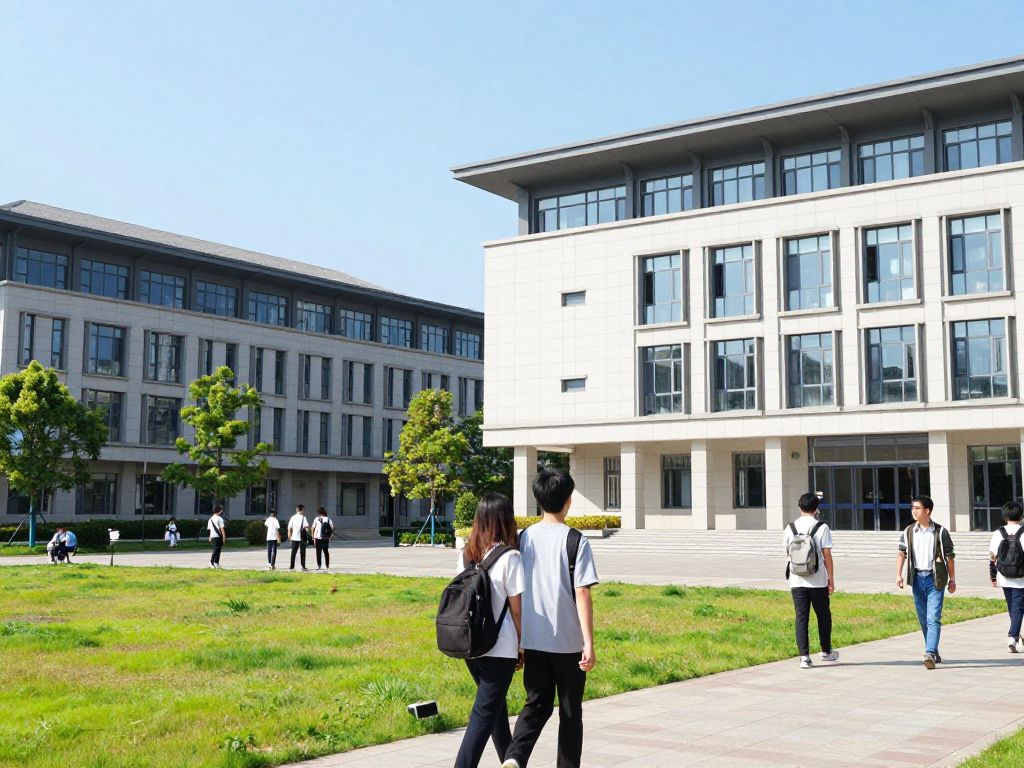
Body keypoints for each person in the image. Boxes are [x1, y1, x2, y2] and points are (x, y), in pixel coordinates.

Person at [502, 470, 598, 768]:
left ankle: (514, 758)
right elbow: (582, 592)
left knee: (535, 705)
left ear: (539, 500)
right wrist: (589, 643)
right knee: (570, 713)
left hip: (533, 640)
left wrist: (519, 640)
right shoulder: (576, 540)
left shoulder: (524, 538)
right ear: (569, 500)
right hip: (568, 643)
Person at [454, 493, 524, 768]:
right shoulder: (510, 557)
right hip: (500, 647)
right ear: (506, 520)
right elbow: (517, 610)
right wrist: (521, 645)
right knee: (484, 715)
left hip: (471, 645)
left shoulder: (466, 554)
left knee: (495, 710)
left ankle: (509, 759)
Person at [896, 495, 956, 669]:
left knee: (933, 618)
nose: (914, 511)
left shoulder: (940, 532)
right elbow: (901, 553)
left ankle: (929, 652)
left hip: (935, 579)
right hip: (917, 579)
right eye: (913, 508)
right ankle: (933, 651)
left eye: (917, 508)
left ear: (927, 511)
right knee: (923, 620)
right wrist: (898, 575)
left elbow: (949, 556)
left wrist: (952, 579)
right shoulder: (909, 531)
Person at [783, 492, 838, 669]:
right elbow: (827, 555)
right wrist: (831, 579)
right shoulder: (822, 527)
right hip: (817, 580)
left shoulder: (790, 527)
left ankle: (804, 657)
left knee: (801, 618)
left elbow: (787, 552)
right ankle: (826, 651)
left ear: (800, 507)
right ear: (816, 509)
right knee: (823, 616)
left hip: (797, 579)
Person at [989, 499, 1024, 653]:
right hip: (1021, 578)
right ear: (1021, 516)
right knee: (1018, 608)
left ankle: (1015, 635)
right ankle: (1012, 637)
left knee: (1013, 608)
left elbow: (992, 557)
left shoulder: (998, 533)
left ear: (1005, 516)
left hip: (1004, 577)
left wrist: (993, 577)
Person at [287, 504, 310, 571]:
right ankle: (303, 566)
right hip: (302, 537)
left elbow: (289, 527)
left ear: (297, 510)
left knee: (293, 552)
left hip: (294, 537)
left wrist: (289, 535)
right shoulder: (303, 517)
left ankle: (292, 566)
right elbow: (306, 527)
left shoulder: (293, 517)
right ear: (302, 510)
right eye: (303, 509)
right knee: (302, 552)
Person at [207, 505, 227, 569]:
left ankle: (216, 563)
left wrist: (210, 537)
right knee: (216, 550)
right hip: (218, 536)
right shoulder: (219, 518)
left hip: (212, 536)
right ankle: (211, 563)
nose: (222, 511)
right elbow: (222, 529)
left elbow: (210, 530)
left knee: (217, 549)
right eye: (221, 510)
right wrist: (224, 537)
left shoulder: (210, 519)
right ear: (219, 511)